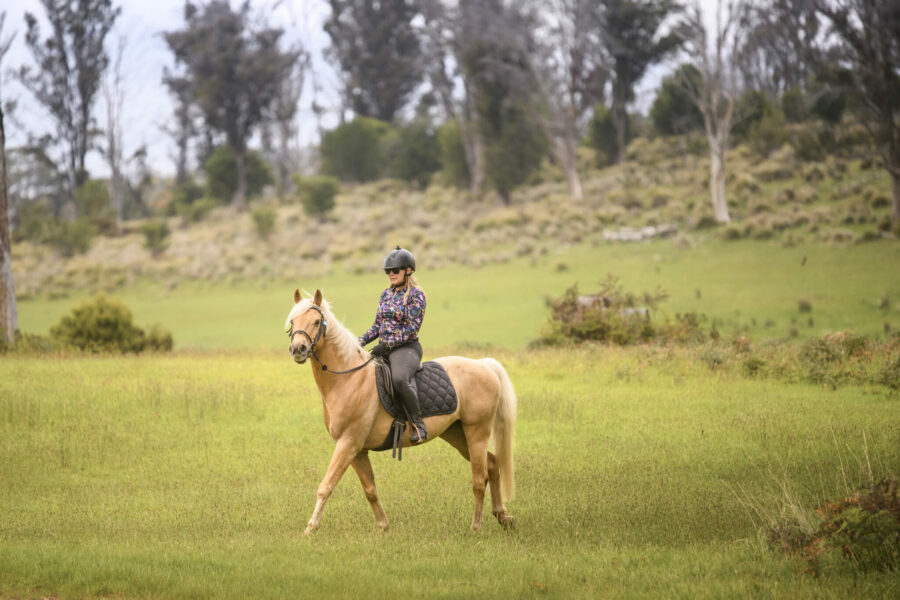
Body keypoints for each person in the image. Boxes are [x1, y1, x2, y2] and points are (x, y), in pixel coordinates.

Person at [359, 246, 428, 444]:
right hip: (385, 348)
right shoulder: (385, 295)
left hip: (406, 349)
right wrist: (359, 341)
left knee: (398, 379)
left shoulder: (416, 295)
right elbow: (377, 327)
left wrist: (388, 345)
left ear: (408, 270)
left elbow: (412, 329)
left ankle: (419, 424)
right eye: (388, 271)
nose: (391, 274)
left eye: (395, 270)